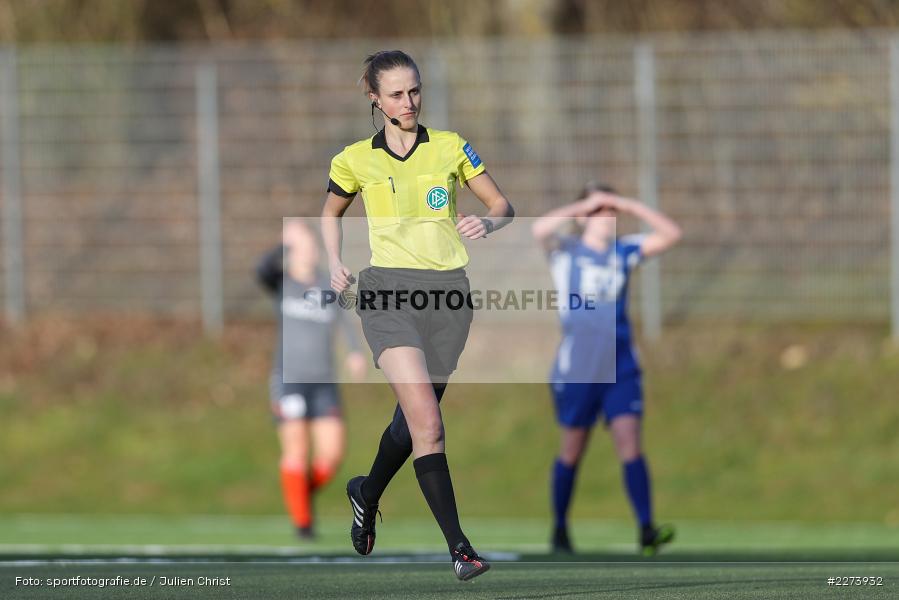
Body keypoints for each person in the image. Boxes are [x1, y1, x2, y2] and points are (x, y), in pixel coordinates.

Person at [321, 50, 514, 581]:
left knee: (411, 424)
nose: (409, 102)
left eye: (415, 91)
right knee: (429, 424)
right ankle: (460, 549)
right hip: (388, 296)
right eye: (397, 94)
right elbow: (330, 214)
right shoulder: (355, 159)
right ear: (375, 100)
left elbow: (501, 205)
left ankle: (366, 489)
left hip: (449, 299)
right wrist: (335, 260)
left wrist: (489, 224)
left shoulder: (451, 147)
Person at [531, 182, 682, 556]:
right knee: (571, 451)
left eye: (610, 211)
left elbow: (671, 234)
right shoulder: (565, 252)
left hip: (621, 365)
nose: (607, 217)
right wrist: (583, 205)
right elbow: (538, 230)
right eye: (599, 211)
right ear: (583, 217)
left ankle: (646, 529)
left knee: (631, 445)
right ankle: (560, 528)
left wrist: (630, 203)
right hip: (578, 368)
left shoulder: (624, 252)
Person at [256, 218, 367, 539]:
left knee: (330, 456)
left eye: (309, 245)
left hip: (324, 382)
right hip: (288, 379)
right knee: (296, 449)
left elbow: (344, 322)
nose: (307, 251)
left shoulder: (325, 286)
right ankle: (303, 524)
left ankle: (299, 495)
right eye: (300, 246)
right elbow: (260, 268)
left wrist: (355, 352)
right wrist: (285, 244)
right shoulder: (281, 283)